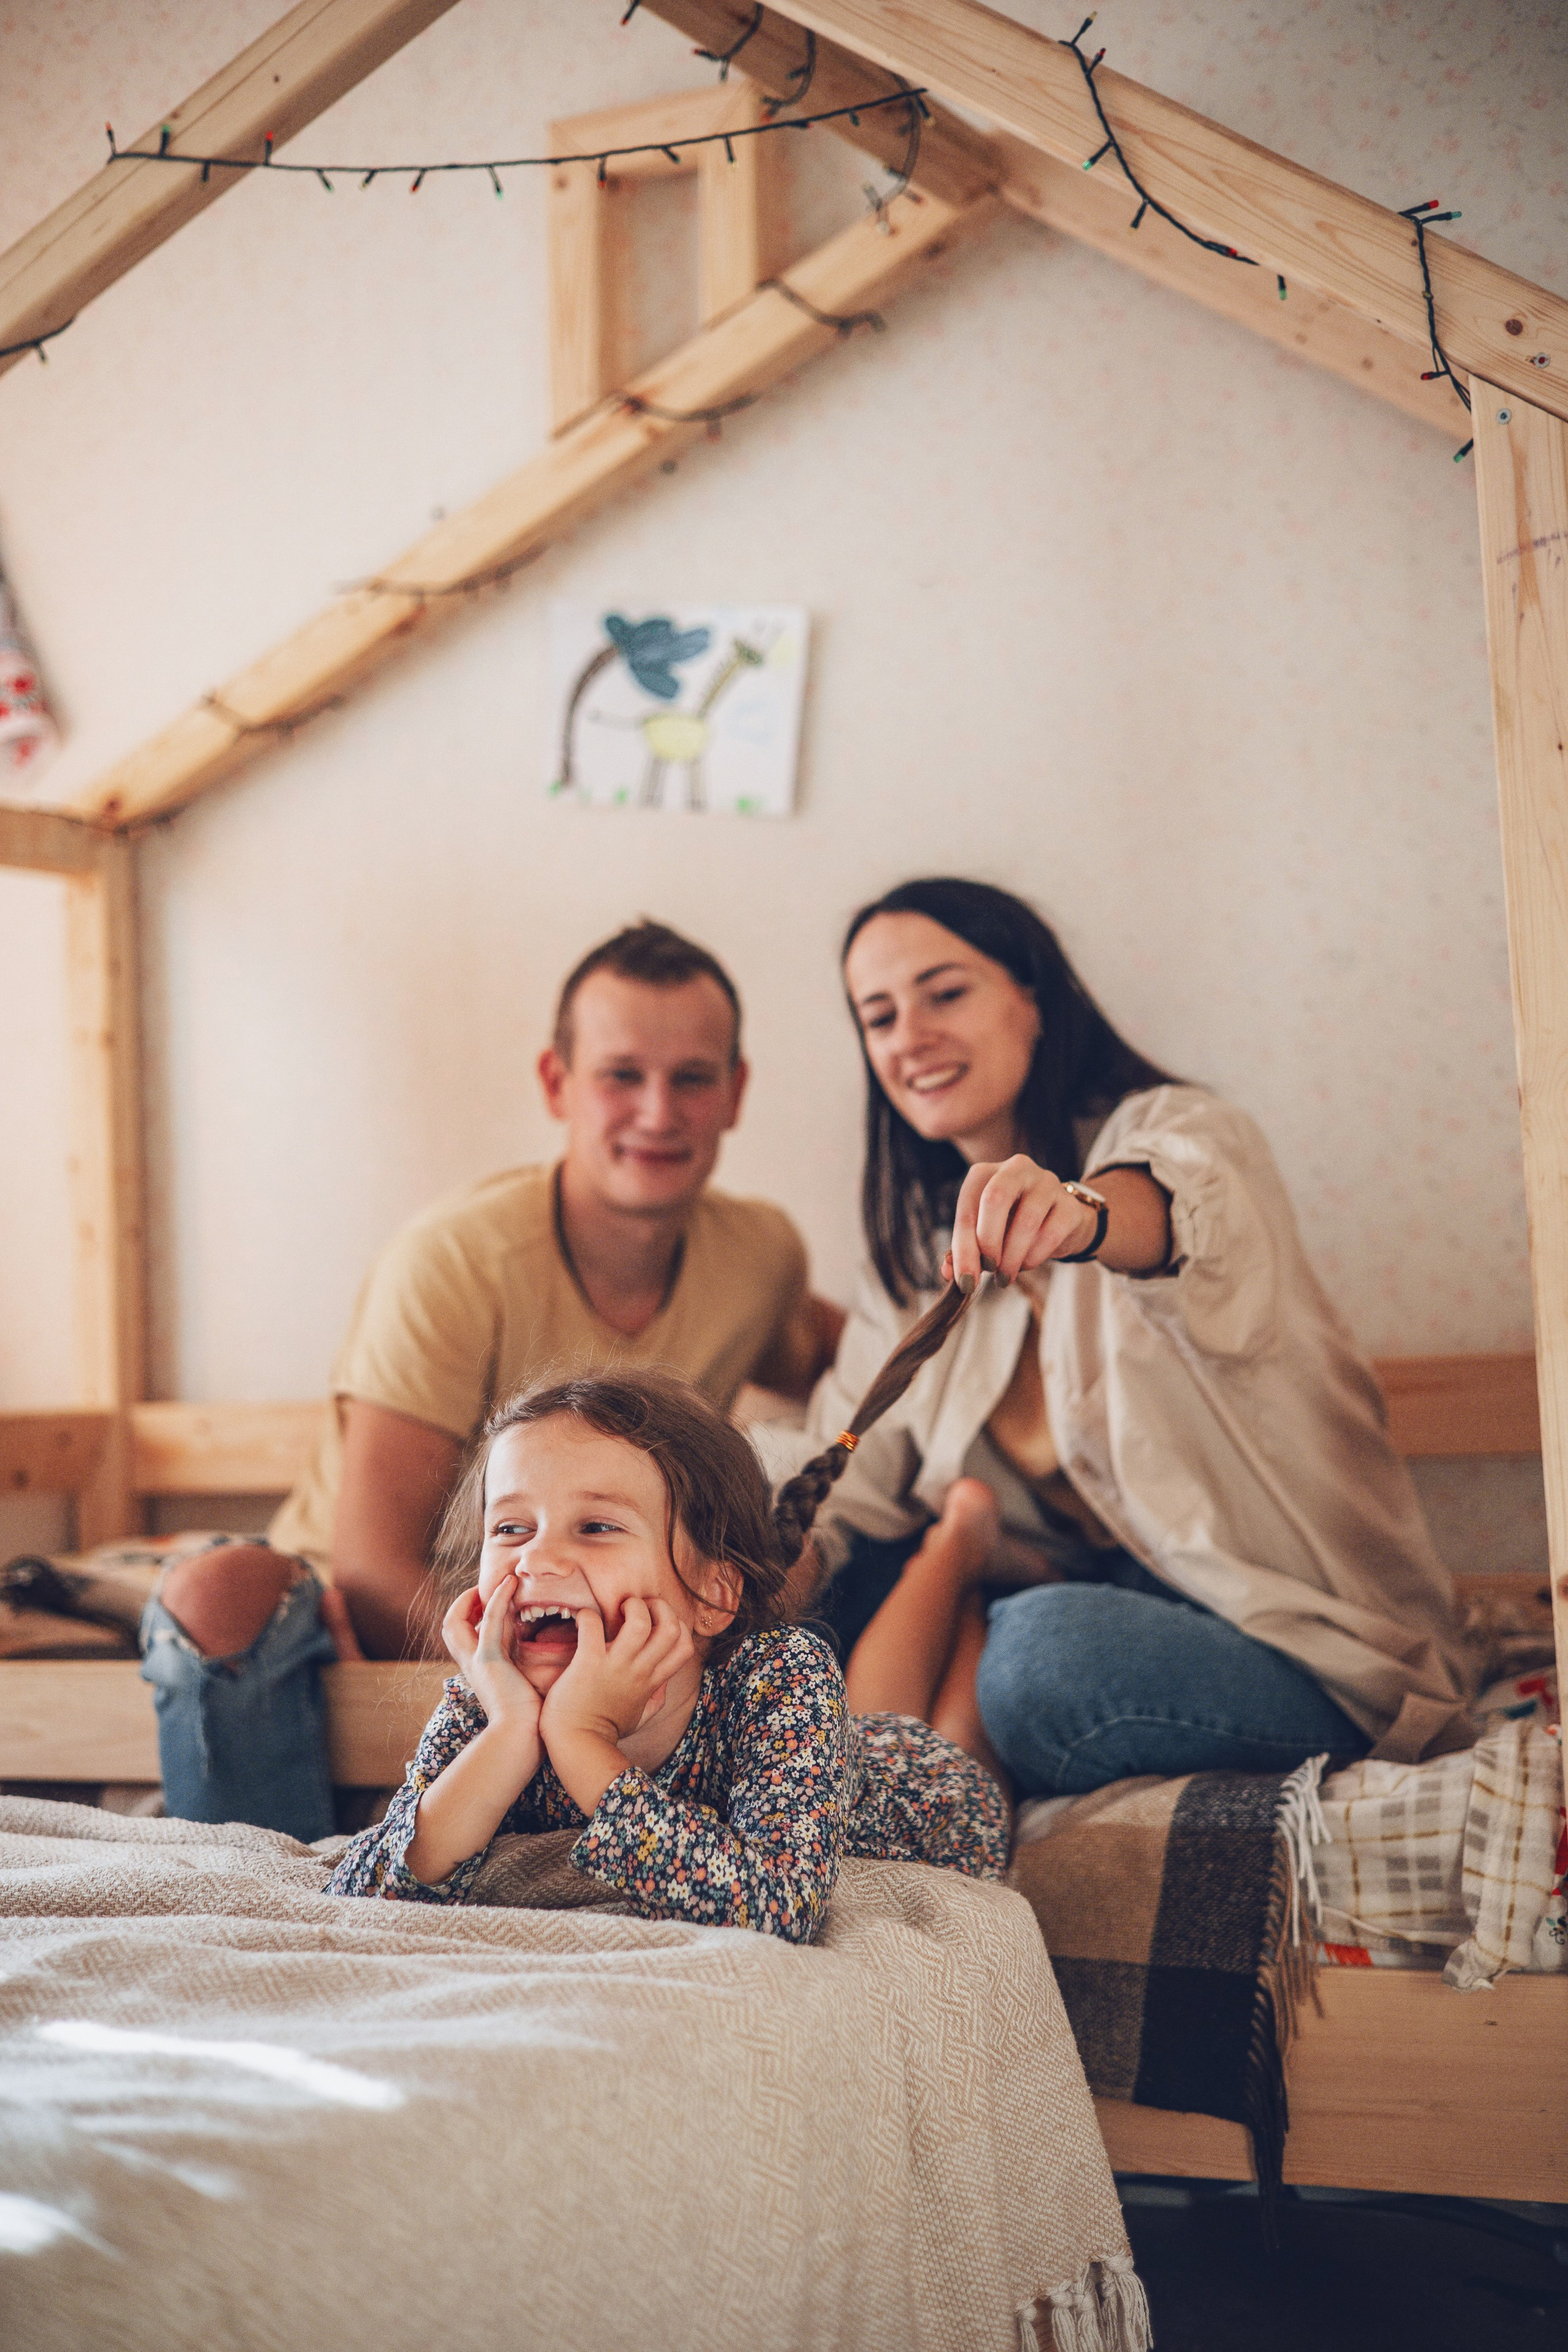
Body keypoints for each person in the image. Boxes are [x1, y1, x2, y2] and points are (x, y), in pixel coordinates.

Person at [141, 922, 842, 1844]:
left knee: (811, 1558)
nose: (659, 1112)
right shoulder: (454, 1262)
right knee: (215, 1590)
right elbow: (370, 1563)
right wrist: (537, 1674)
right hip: (390, 1612)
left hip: (607, 1615)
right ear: (557, 1084)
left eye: (694, 1078)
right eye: (621, 1075)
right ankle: (276, 1885)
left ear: (737, 1093)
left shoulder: (761, 1256)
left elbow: (863, 1361)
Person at [776, 876, 1473, 1801]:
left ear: (1034, 999)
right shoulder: (914, 1264)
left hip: (1290, 1639)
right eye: (879, 1017)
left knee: (1041, 1662)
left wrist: (1080, 1214)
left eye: (945, 993)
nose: (911, 1036)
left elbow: (1179, 1210)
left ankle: (983, 1634)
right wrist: (716, 1586)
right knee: (836, 1611)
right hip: (1086, 1602)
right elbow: (844, 1484)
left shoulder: (1183, 1132)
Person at [327, 1366, 1009, 1934]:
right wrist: (510, 1732)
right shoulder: (489, 1702)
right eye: (510, 1526)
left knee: (940, 1734)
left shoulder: (779, 1679)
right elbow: (366, 1892)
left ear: (712, 1598)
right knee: (873, 1716)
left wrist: (581, 1737)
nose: (536, 1556)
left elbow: (778, 1906)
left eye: (595, 1527)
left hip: (929, 1788)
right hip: (844, 1746)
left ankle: (956, 1553)